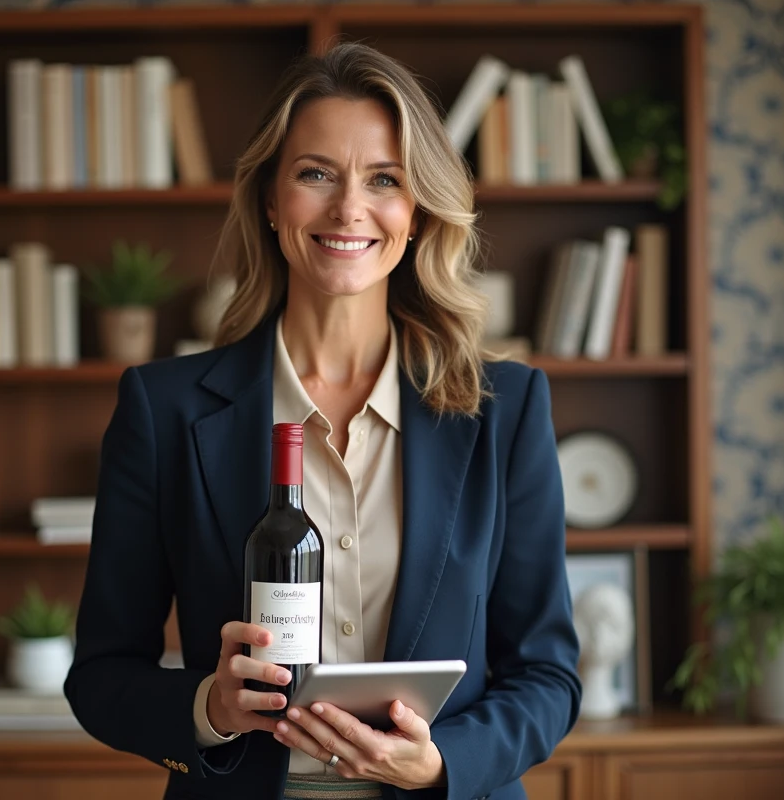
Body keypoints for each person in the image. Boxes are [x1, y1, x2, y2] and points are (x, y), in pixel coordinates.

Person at [65, 42, 582, 800]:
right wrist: (210, 708)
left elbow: (547, 674)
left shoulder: (507, 410)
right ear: (271, 201)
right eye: (315, 174)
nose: (348, 208)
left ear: (416, 212)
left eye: (385, 179)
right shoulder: (163, 409)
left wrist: (441, 763)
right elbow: (102, 676)